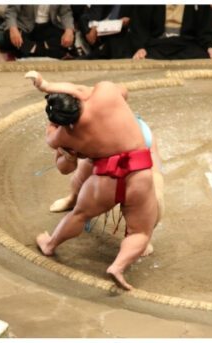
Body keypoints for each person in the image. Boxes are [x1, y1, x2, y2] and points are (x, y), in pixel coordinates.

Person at [28, 73, 161, 290]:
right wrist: (47, 85)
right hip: (139, 174)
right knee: (141, 231)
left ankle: (50, 244)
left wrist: (55, 120)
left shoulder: (62, 136)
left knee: (79, 215)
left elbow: (54, 144)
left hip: (105, 179)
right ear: (76, 96)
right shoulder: (106, 93)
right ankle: (118, 266)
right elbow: (120, 91)